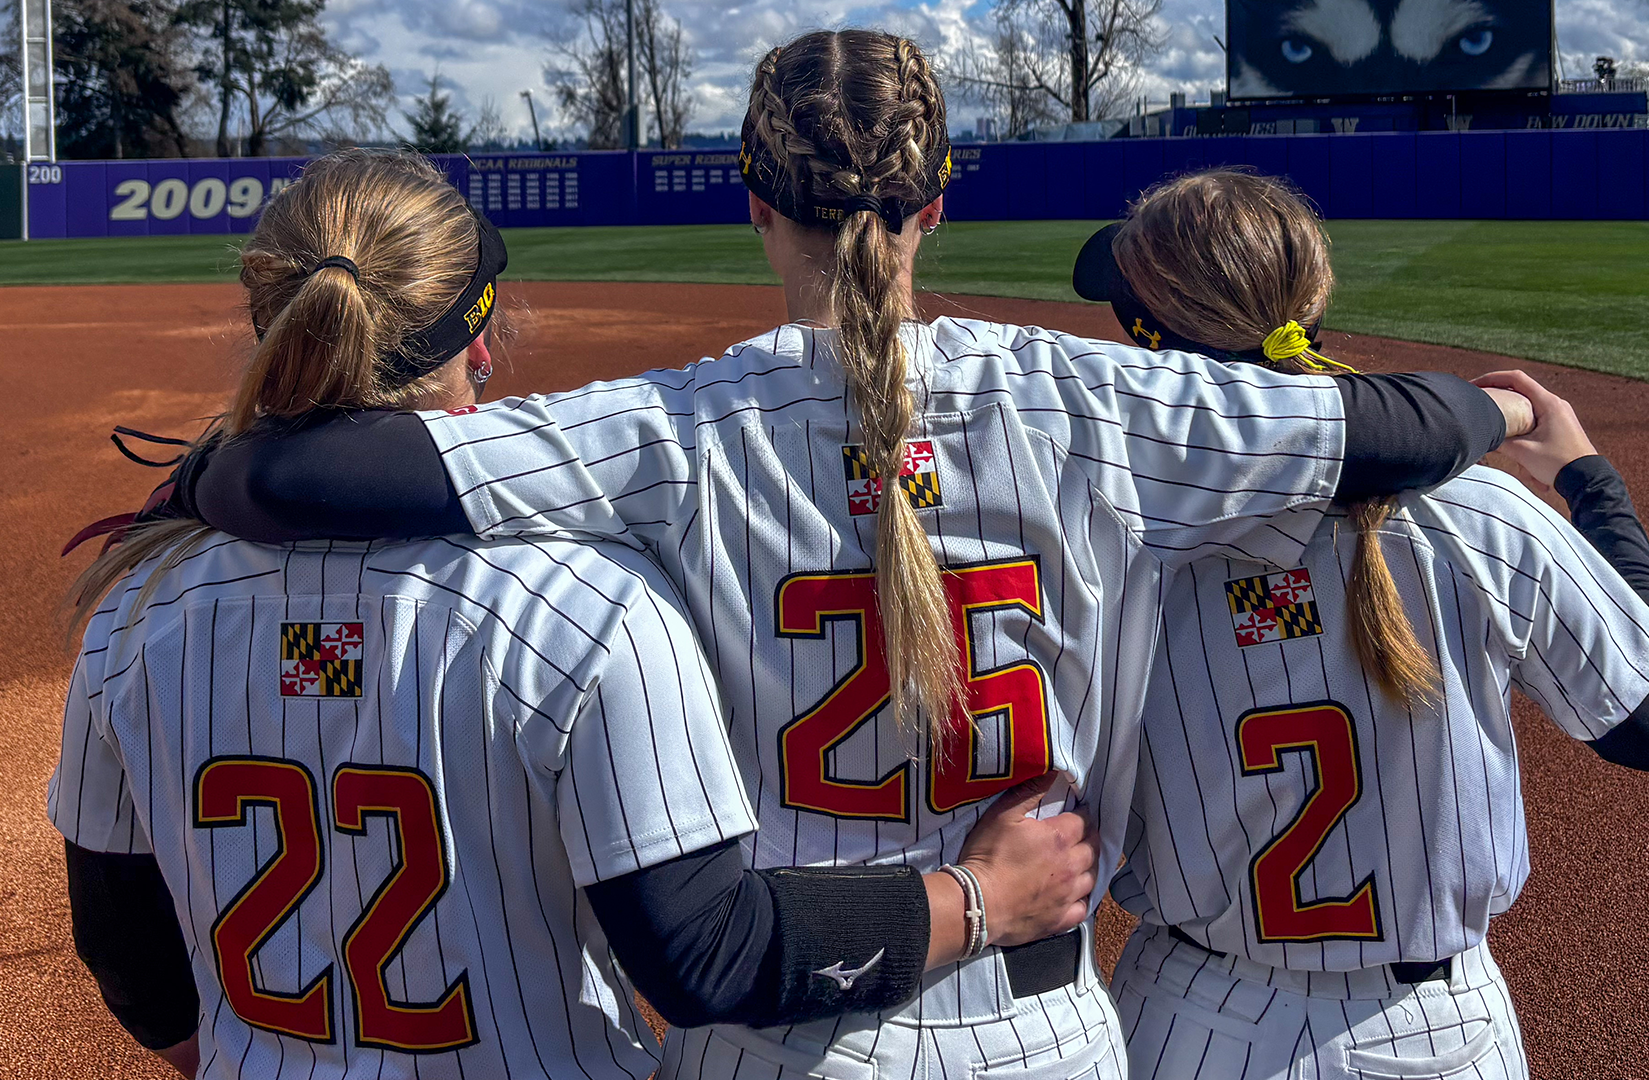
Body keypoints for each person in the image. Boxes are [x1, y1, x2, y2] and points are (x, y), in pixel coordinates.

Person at [171, 32, 1538, 1080]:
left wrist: (203, 468)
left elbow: (312, 469)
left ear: (752, 206)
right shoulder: (1102, 403)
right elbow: (1403, 426)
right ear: (939, 203)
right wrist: (1515, 412)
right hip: (1033, 1030)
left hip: (769, 1034)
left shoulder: (668, 428)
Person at [50, 149, 1104, 1080]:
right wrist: (979, 897)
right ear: (479, 349)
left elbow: (131, 966)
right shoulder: (584, 608)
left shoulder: (134, 611)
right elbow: (711, 955)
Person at [1072, 169, 1649, 1080]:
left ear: (1145, 340)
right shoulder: (1478, 510)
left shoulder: (1103, 523)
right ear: (1314, 305)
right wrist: (1590, 480)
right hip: (1444, 1028)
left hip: (1202, 1018)